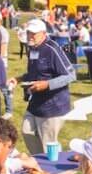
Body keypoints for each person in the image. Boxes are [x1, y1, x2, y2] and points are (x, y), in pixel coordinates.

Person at [11, 19, 76, 155]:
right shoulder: (32, 48)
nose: (31, 36)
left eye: (34, 33)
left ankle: (50, 168)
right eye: (29, 33)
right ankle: (39, 162)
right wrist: (19, 79)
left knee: (48, 145)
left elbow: (71, 75)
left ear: (44, 34)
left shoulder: (52, 49)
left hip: (53, 105)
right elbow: (35, 73)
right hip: (36, 102)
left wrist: (47, 85)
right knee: (26, 131)